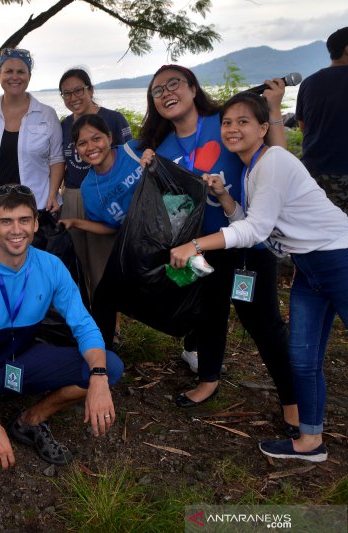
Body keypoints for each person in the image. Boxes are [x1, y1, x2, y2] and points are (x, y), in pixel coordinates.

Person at [170, 92, 348, 462]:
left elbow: (254, 231)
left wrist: (195, 245)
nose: (233, 129)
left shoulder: (275, 161)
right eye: (227, 122)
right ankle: (309, 442)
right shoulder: (252, 170)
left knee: (288, 344)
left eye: (243, 121)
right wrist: (225, 196)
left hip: (339, 260)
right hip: (308, 270)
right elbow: (253, 225)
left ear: (264, 128)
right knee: (303, 358)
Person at [138, 65, 299, 439]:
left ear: (193, 88)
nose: (165, 92)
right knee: (208, 314)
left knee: (264, 325)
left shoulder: (224, 123)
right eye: (157, 90)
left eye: (173, 83)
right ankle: (208, 380)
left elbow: (275, 155)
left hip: (245, 242)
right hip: (199, 248)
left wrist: (273, 112)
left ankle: (293, 403)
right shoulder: (162, 148)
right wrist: (150, 170)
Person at [0, 184, 124, 468]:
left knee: (109, 366)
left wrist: (98, 378)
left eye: (24, 220)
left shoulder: (50, 266)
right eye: (6, 221)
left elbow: (84, 325)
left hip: (23, 359)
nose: (16, 230)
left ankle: (30, 420)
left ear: (36, 223)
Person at [58, 114, 144, 345]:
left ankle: (194, 346)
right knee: (104, 297)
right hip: (140, 248)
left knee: (191, 290)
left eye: (96, 138)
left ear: (109, 137)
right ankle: (101, 355)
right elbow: (109, 227)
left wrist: (153, 158)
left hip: (172, 237)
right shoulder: (89, 187)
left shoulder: (134, 150)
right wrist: (75, 223)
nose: (91, 147)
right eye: (82, 143)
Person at [58, 68, 132, 303]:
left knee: (103, 259)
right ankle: (87, 313)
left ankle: (112, 321)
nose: (73, 98)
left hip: (108, 196)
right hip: (73, 196)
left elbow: (128, 156)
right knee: (79, 261)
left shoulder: (113, 119)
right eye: (66, 93)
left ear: (90, 90)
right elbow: (60, 162)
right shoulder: (64, 125)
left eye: (78, 90)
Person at [0, 48, 63, 213]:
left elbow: (56, 159)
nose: (15, 77)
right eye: (9, 71)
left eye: (21, 71)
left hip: (38, 205)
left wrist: (52, 194)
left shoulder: (47, 114)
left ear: (29, 76)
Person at [295, 26, 348, 213]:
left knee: (324, 228)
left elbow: (303, 126)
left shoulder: (309, 82)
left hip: (315, 171)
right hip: (343, 170)